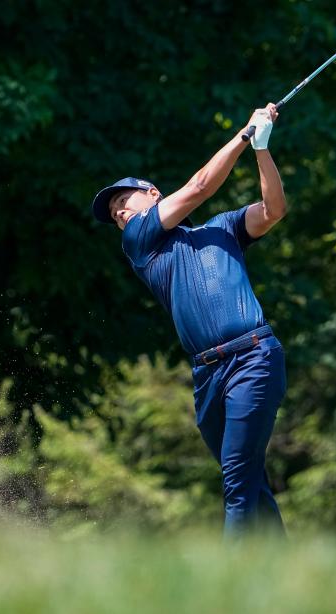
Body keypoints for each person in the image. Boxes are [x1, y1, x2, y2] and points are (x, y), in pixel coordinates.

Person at [91, 104, 288, 535]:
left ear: (153, 194)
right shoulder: (140, 242)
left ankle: (231, 583)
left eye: (125, 201)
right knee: (249, 483)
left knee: (238, 478)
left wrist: (261, 148)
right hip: (207, 377)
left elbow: (273, 210)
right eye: (115, 213)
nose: (120, 213)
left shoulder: (225, 228)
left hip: (254, 358)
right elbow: (199, 186)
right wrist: (241, 136)